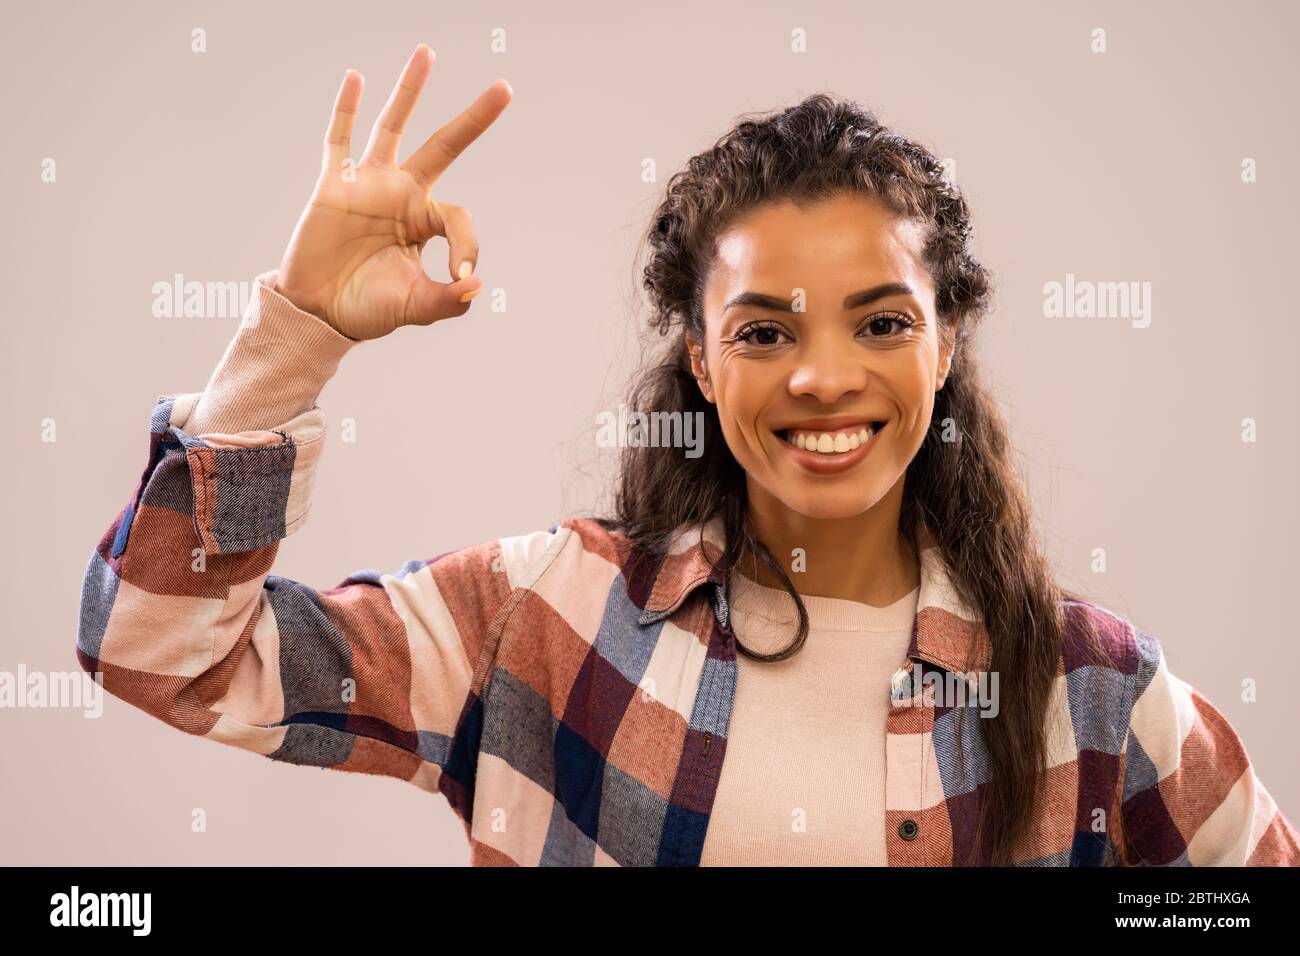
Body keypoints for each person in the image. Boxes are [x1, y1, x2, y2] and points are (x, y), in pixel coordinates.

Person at [77, 43, 1299, 867]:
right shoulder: (544, 620)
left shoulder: (1093, 694)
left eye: (881, 321)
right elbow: (164, 655)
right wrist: (295, 331)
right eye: (764, 331)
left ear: (943, 348)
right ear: (705, 369)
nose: (823, 376)